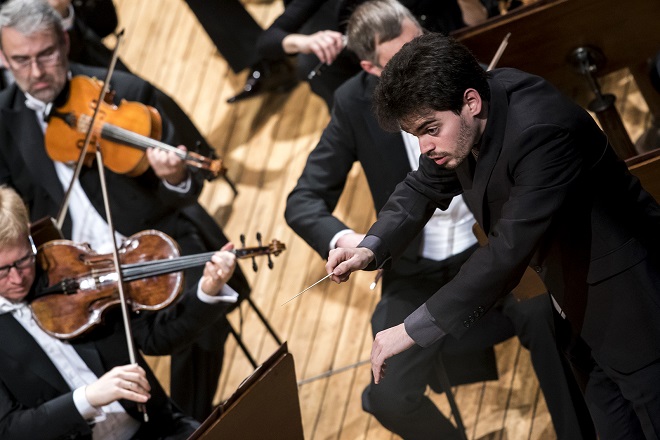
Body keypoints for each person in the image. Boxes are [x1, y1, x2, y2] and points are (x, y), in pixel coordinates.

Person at [326, 32, 660, 439]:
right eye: (416, 135)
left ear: (470, 102)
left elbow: (506, 252)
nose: (425, 147)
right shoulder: (464, 125)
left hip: (634, 305)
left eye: (430, 129)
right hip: (577, 304)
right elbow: (421, 186)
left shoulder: (540, 131)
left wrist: (410, 329)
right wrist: (369, 248)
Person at [285, 1, 594, 438]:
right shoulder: (351, 103)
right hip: (414, 271)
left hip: (490, 246)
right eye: (402, 56)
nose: (423, 61)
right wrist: (358, 242)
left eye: (423, 42)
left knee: (544, 313)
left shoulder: (455, 83)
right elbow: (310, 200)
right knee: (386, 394)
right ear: (373, 69)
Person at [0, 0, 251, 422]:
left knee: (203, 320)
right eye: (20, 61)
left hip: (152, 246)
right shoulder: (4, 123)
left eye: (45, 55)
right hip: (66, 271)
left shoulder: (125, 94)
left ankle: (185, 422)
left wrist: (172, 176)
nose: (36, 72)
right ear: (3, 58)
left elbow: (191, 183)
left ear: (64, 41)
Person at [0, 184, 238, 439]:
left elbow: (155, 337)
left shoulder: (69, 274)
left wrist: (207, 291)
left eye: (24, 260)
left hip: (157, 429)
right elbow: (9, 428)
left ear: (29, 236)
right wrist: (88, 397)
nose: (17, 278)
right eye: (2, 270)